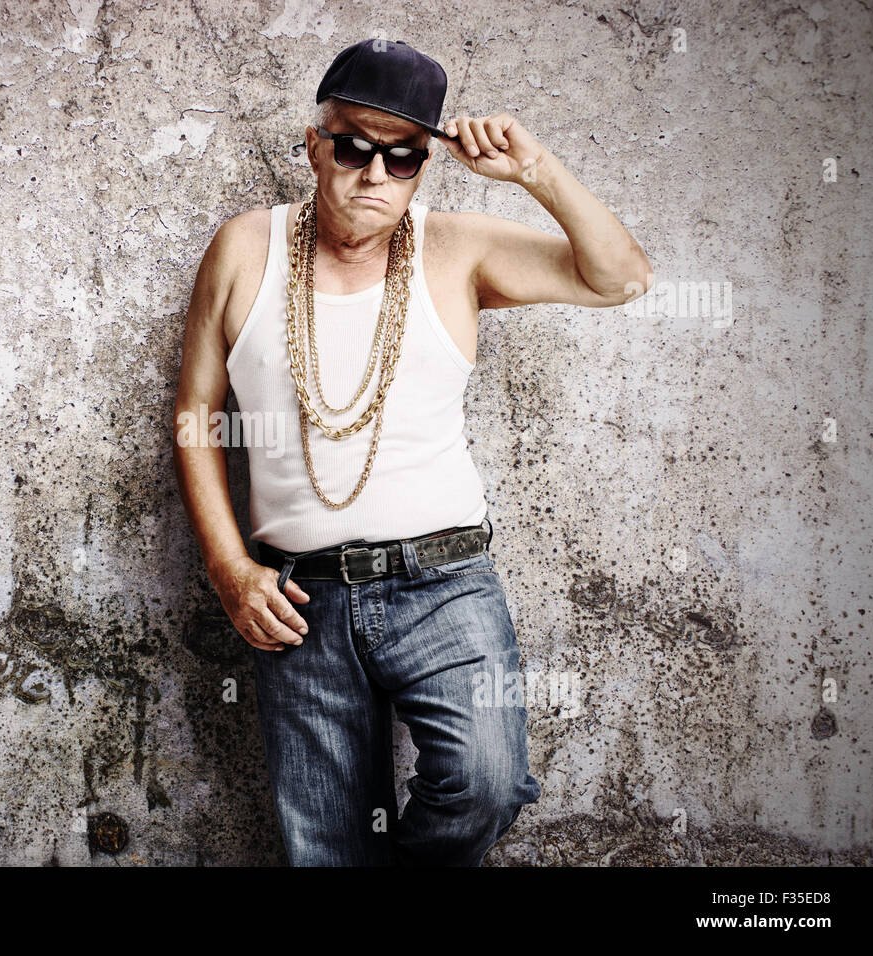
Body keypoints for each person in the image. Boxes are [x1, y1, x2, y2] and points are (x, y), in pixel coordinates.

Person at [172, 37, 653, 866]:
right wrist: (228, 569)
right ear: (316, 143)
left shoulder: (456, 247)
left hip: (446, 582)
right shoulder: (245, 247)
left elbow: (621, 279)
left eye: (402, 159)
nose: (374, 175)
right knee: (326, 847)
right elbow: (194, 414)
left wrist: (534, 169)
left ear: (426, 163)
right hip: (298, 598)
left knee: (486, 782)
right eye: (354, 147)